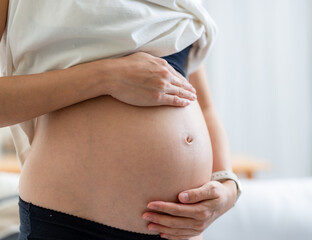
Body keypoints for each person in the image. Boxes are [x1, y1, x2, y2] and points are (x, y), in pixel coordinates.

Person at [0, 0, 242, 239]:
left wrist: (227, 186)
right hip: (73, 223)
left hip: (180, 232)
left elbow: (204, 105)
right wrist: (107, 77)